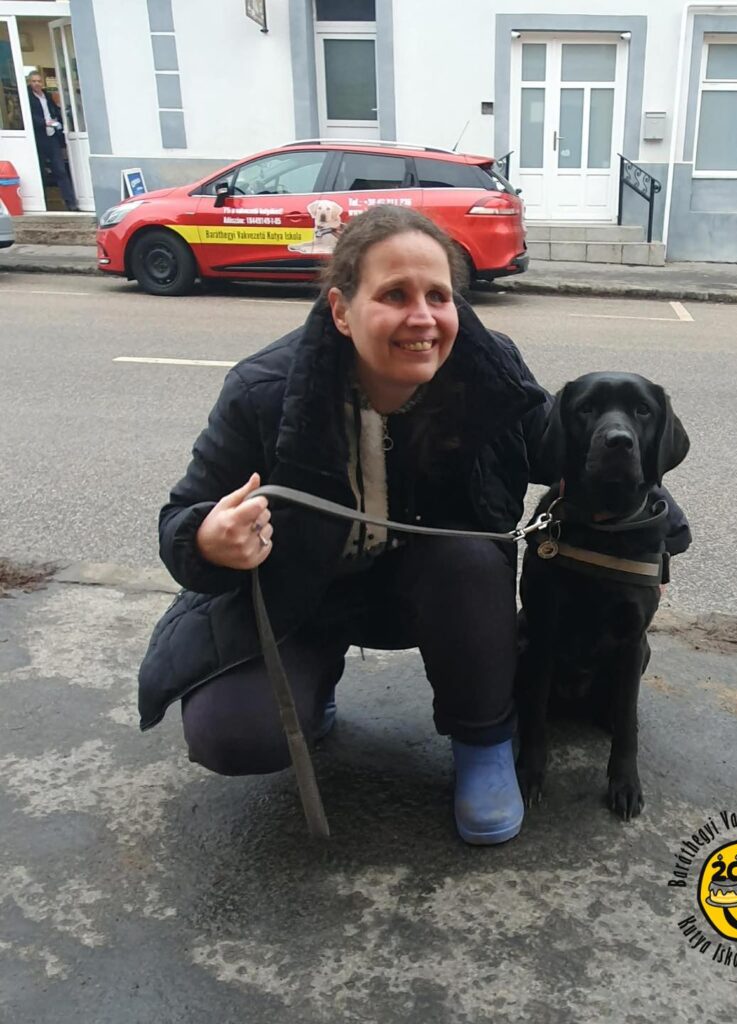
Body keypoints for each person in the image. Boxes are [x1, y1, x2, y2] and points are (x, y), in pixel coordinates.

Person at [138, 205, 552, 845]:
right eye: (395, 295)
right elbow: (180, 520)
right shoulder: (262, 389)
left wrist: (654, 542)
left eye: (438, 296)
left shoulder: (488, 370)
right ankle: (312, 684)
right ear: (340, 309)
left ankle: (484, 741)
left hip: (443, 595)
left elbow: (573, 455)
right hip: (303, 596)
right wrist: (209, 540)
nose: (423, 318)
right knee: (233, 733)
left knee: (469, 557)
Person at [26, 71, 78, 212]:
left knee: (60, 170)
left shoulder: (47, 96)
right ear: (30, 82)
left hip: (52, 136)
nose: (37, 84)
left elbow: (54, 111)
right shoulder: (27, 98)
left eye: (39, 81)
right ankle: (41, 204)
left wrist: (59, 121)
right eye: (34, 81)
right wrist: (44, 123)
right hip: (39, 137)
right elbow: (29, 116)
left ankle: (70, 202)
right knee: (40, 171)